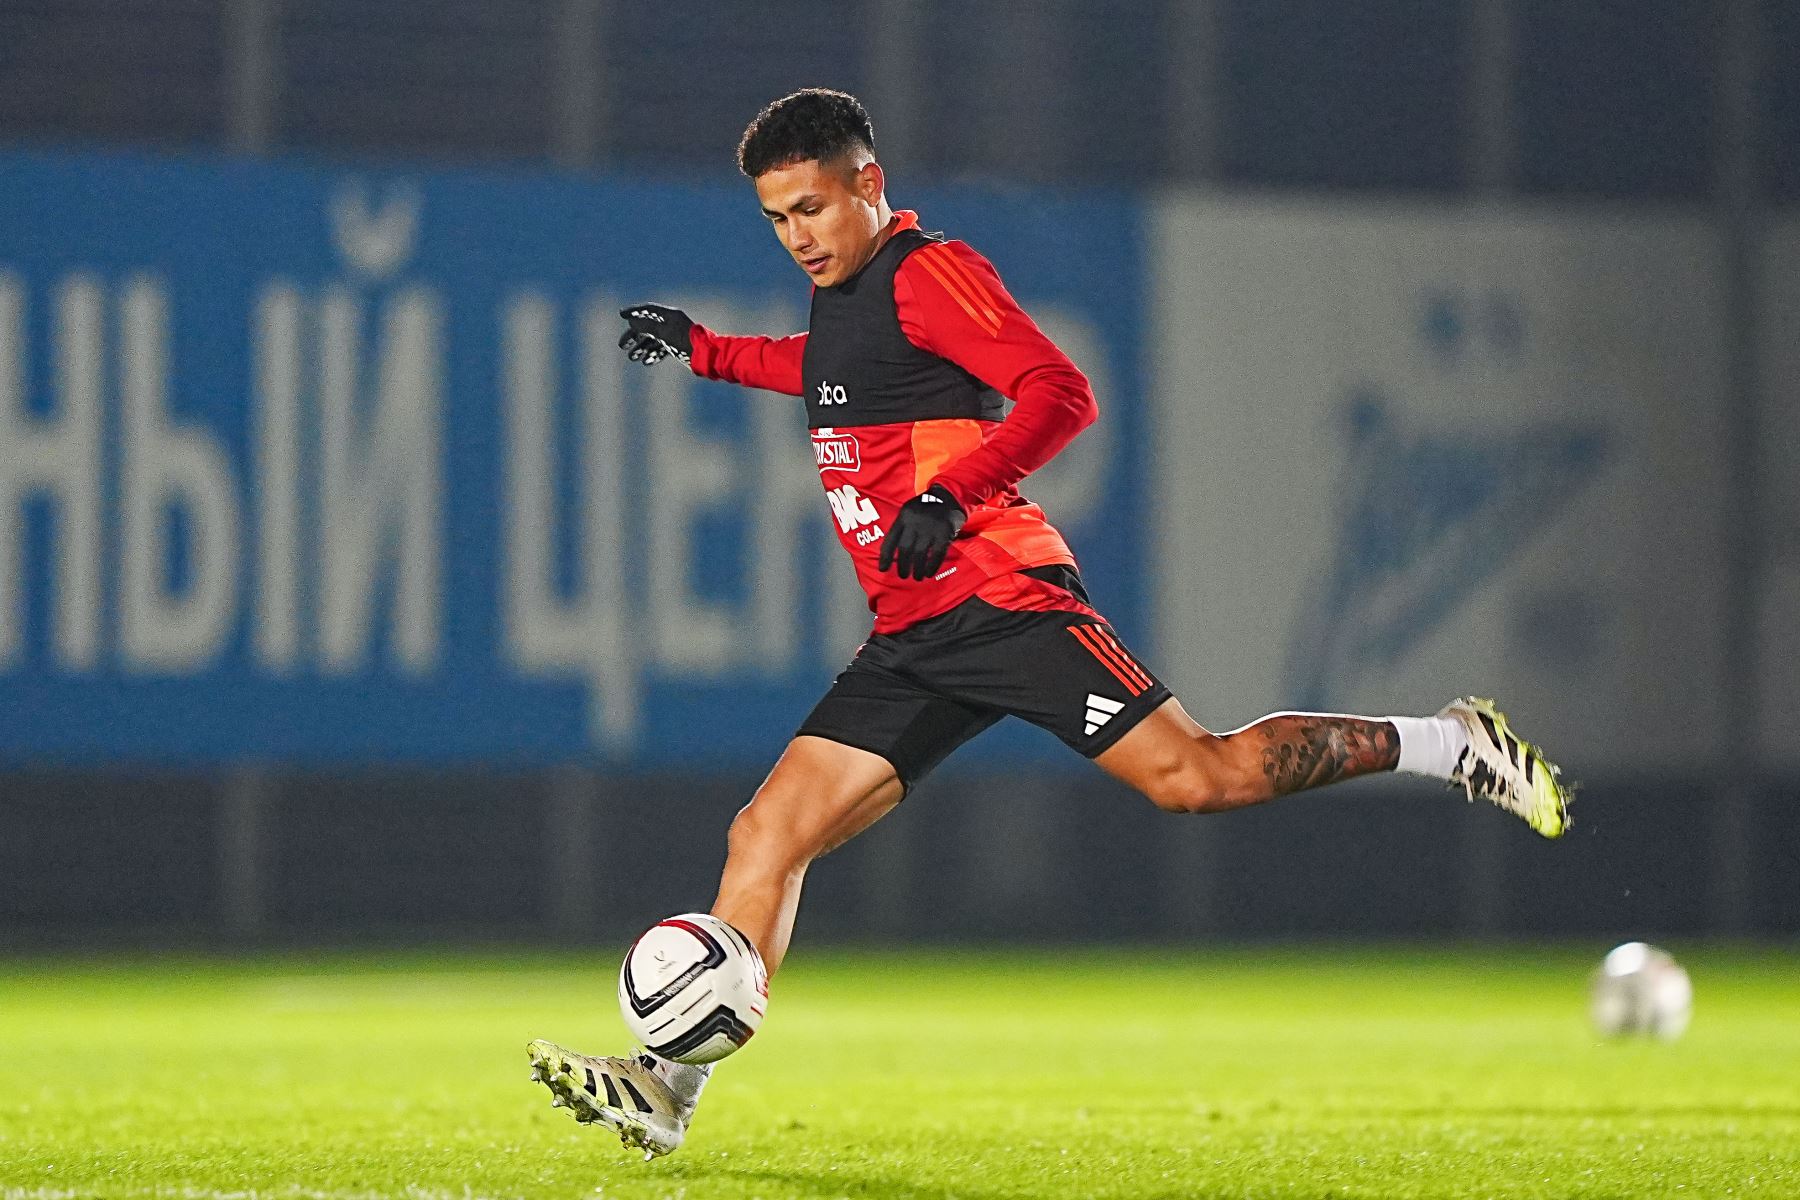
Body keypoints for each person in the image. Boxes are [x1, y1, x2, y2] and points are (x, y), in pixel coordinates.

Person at [527, 88, 1571, 1159]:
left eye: (813, 209)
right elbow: (831, 375)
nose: (799, 236)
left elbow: (1059, 391)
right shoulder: (843, 292)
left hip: (1002, 600)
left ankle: (1450, 741)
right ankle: (669, 1086)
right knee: (767, 834)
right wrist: (704, 349)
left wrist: (953, 494)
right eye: (778, 219)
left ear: (869, 187)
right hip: (915, 634)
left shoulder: (930, 273)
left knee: (1198, 779)